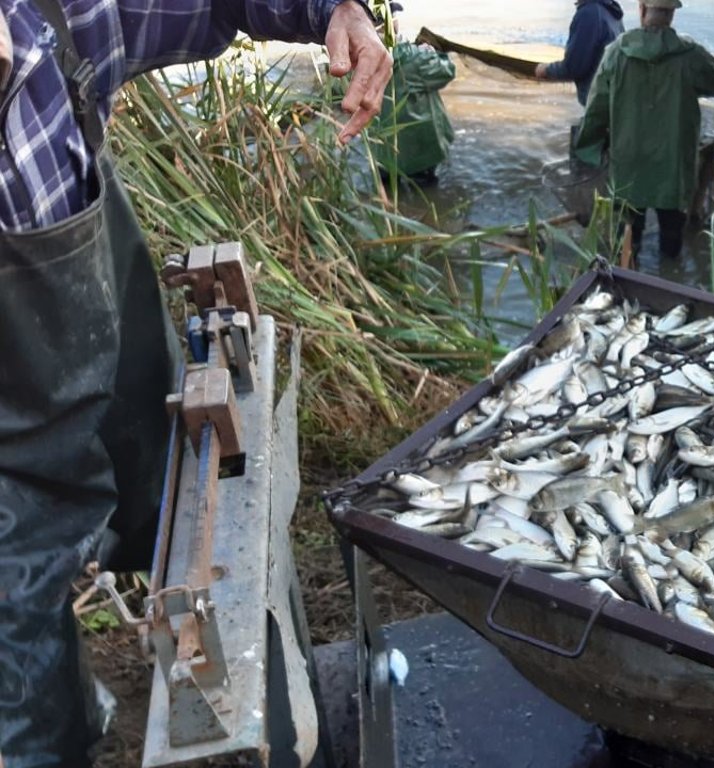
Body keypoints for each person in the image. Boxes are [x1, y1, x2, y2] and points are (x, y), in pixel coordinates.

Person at [0, 2, 390, 766]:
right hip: (16, 478)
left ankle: (86, 693)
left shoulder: (56, 23)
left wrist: (339, 12)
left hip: (113, 398)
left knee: (159, 515)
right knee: (15, 639)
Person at [572, 0, 714, 260]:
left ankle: (627, 282)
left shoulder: (616, 53)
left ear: (641, 10)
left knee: (627, 245)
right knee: (671, 243)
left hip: (628, 165)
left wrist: (588, 149)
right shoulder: (690, 54)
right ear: (672, 15)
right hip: (673, 167)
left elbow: (596, 110)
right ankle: (669, 281)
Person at [371, 5, 457, 181]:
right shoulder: (415, 58)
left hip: (383, 153)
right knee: (427, 196)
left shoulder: (356, 60)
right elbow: (448, 71)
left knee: (387, 194)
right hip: (421, 153)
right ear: (390, 23)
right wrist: (433, 54)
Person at [534, 0, 625, 107]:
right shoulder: (611, 11)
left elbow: (574, 67)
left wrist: (545, 70)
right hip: (613, 101)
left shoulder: (589, 13)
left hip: (598, 106)